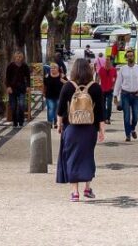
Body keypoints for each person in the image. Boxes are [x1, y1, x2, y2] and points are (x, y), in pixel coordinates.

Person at [56, 58, 105, 202]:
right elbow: (101, 111)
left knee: (72, 158)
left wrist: (59, 125)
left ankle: (74, 192)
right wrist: (102, 130)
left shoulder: (68, 87)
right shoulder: (95, 87)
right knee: (88, 156)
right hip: (89, 129)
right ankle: (87, 188)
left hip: (71, 128)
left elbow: (60, 110)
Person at [113, 49, 138, 142]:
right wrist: (115, 95)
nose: (130, 57)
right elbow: (118, 82)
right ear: (126, 58)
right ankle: (127, 135)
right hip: (125, 94)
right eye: (128, 56)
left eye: (131, 55)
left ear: (134, 56)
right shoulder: (123, 69)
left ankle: (132, 128)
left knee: (136, 115)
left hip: (135, 95)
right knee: (126, 116)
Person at [6, 51, 31, 128]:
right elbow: (7, 77)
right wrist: (8, 87)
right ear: (14, 57)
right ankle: (14, 122)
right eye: (17, 57)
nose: (18, 58)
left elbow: (28, 77)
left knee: (21, 105)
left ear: (22, 57)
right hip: (12, 89)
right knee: (13, 106)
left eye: (20, 57)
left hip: (21, 88)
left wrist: (28, 86)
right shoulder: (10, 66)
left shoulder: (25, 66)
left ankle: (21, 121)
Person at [44, 64, 65, 129]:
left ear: (58, 69)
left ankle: (56, 123)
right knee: (51, 109)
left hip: (59, 96)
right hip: (49, 96)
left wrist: (63, 81)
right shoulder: (47, 76)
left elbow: (68, 84)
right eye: (51, 68)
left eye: (54, 68)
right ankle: (49, 123)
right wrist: (43, 93)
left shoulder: (62, 76)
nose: (52, 69)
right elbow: (44, 85)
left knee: (57, 110)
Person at [97, 57, 117, 125]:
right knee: (103, 105)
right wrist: (97, 86)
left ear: (110, 62)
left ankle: (108, 118)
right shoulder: (101, 69)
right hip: (102, 90)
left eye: (109, 61)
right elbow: (98, 78)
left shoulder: (114, 70)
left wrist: (114, 86)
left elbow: (115, 78)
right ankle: (105, 118)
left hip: (110, 90)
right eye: (106, 61)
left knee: (109, 105)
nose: (107, 63)